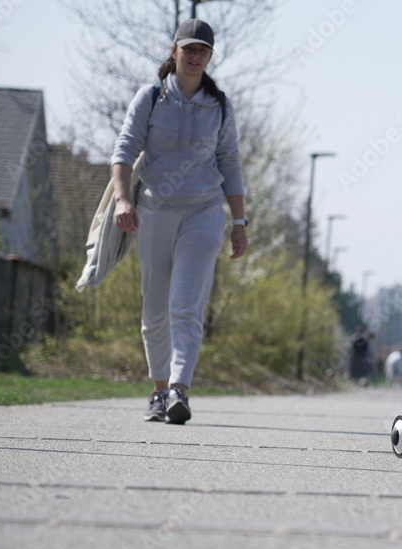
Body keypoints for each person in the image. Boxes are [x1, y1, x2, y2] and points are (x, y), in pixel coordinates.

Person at [111, 19, 248, 424]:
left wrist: (239, 222)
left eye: (202, 50)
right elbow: (124, 149)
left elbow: (230, 162)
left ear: (210, 56)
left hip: (203, 212)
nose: (194, 56)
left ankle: (178, 391)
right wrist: (123, 199)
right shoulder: (151, 97)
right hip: (154, 211)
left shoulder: (219, 105)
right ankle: (158, 390)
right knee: (155, 310)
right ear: (174, 51)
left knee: (186, 306)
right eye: (188, 49)